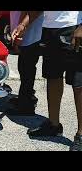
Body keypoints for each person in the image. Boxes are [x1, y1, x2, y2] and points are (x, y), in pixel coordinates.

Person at [12, 11, 82, 151]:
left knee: (79, 83)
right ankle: (53, 124)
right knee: (53, 76)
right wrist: (23, 24)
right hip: (49, 30)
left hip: (74, 28)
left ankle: (81, 134)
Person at [8, 11, 44, 116]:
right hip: (26, 29)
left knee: (26, 67)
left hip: (31, 31)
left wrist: (22, 26)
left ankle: (26, 105)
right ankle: (25, 97)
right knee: (24, 67)